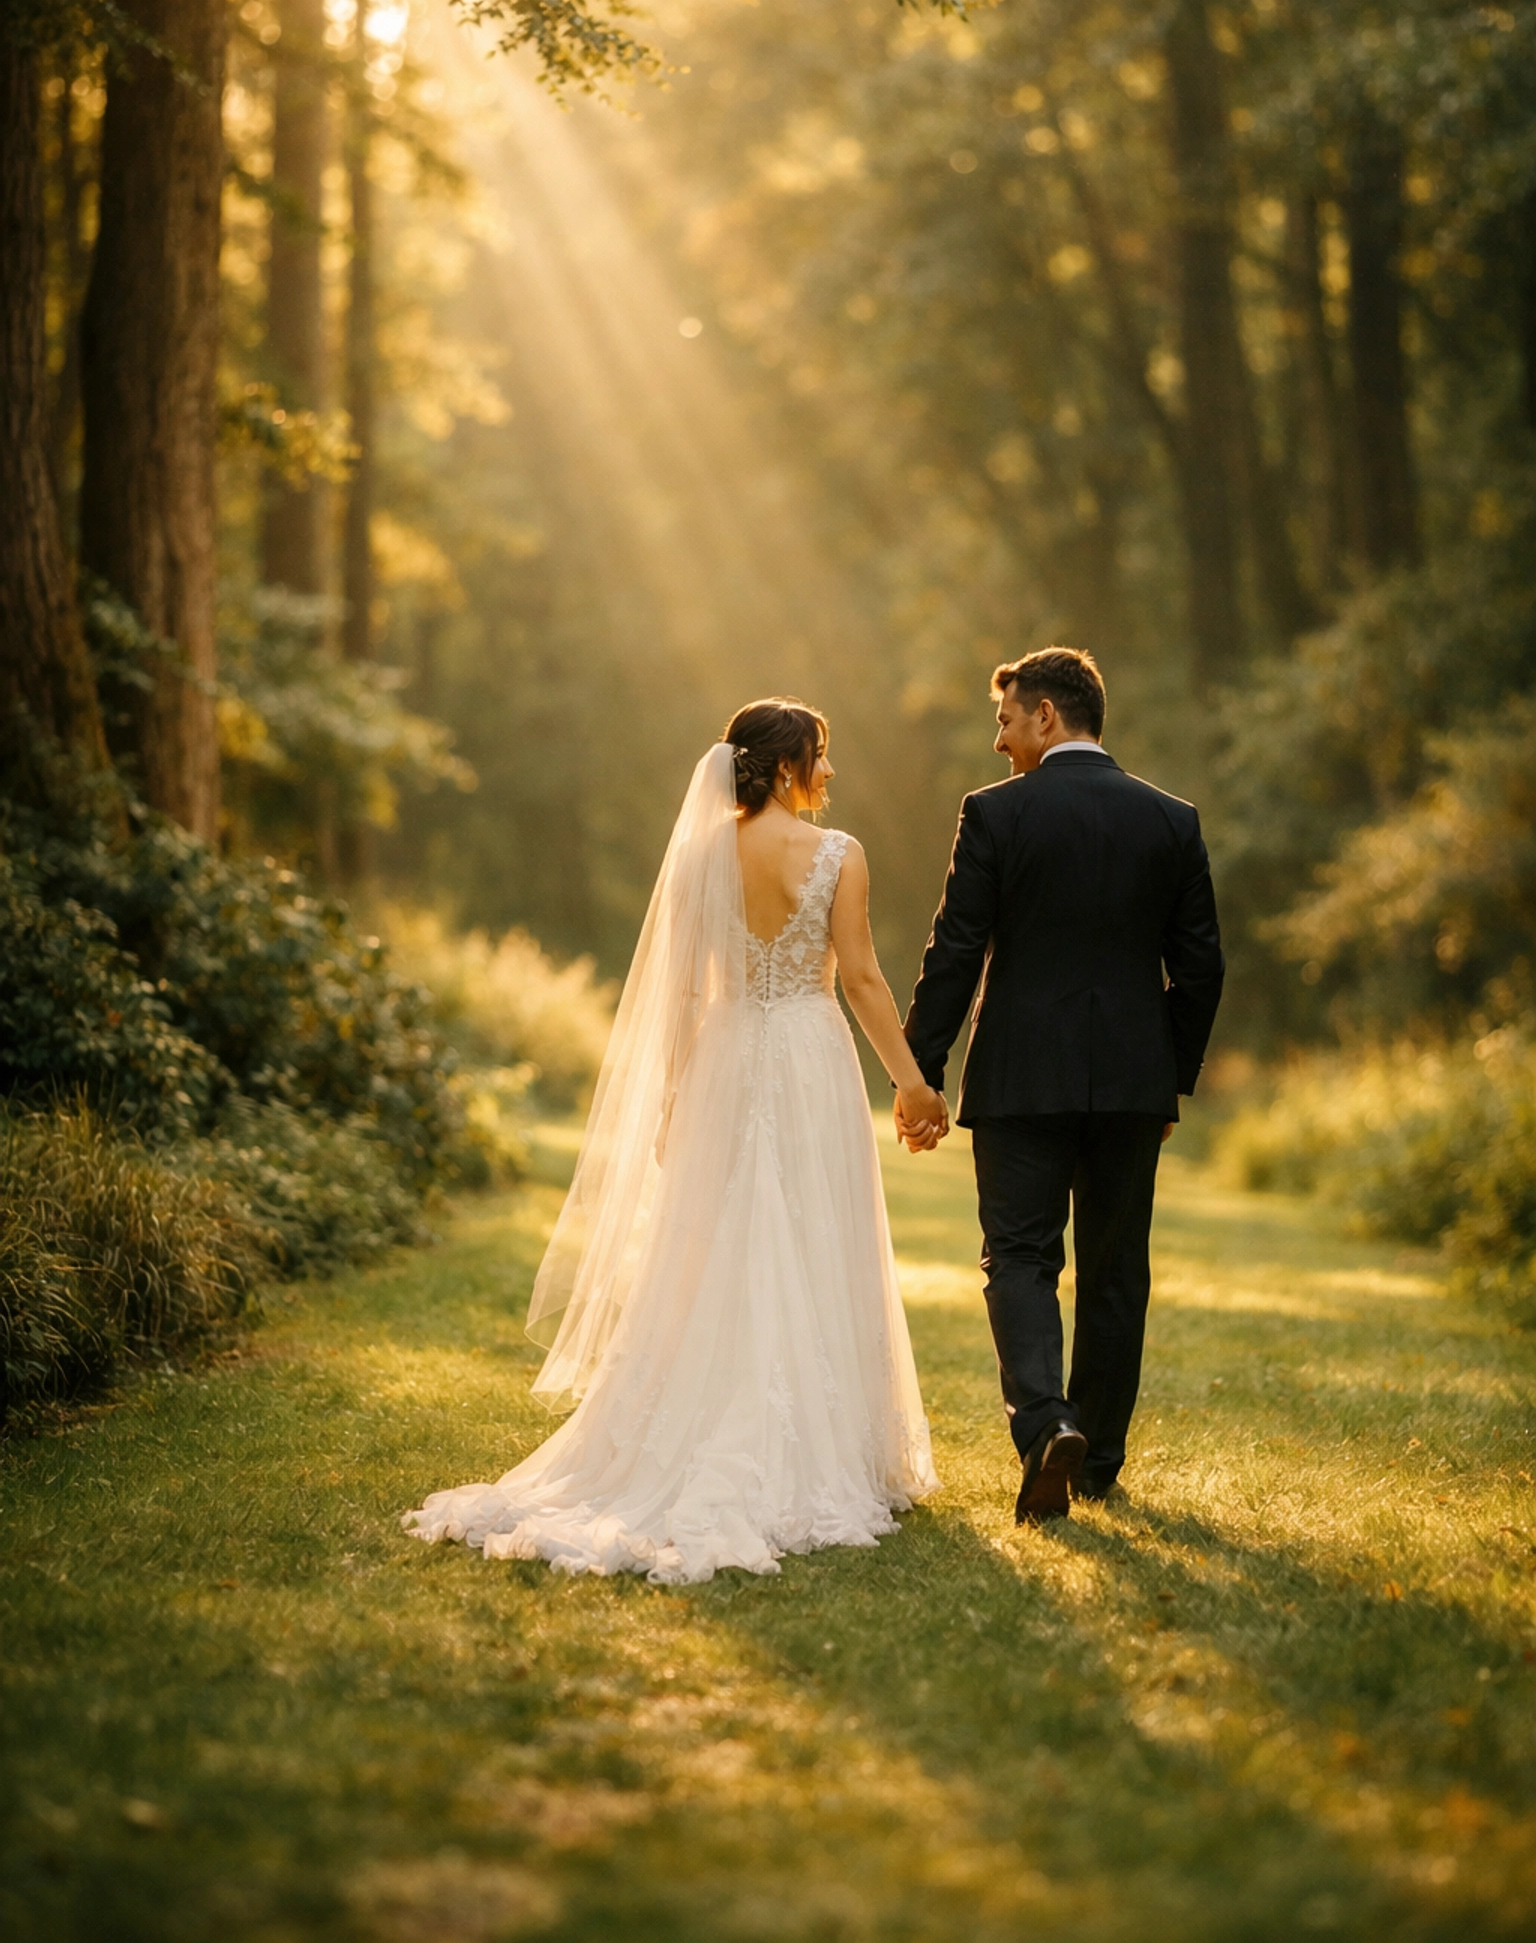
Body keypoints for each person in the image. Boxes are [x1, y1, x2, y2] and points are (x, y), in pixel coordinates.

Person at [404, 699, 943, 1584]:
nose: (831, 772)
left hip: (726, 1060)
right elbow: (862, 977)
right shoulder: (839, 856)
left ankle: (705, 1423)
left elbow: (686, 996)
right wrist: (913, 1083)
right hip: (808, 1057)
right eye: (821, 756)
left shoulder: (699, 855)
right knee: (811, 1232)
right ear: (782, 767)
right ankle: (820, 1444)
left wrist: (671, 1099)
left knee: (717, 1243)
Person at [902, 647, 1224, 1522]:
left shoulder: (995, 815)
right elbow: (1201, 969)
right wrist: (1170, 1077)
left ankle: (1046, 1422)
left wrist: (918, 1071)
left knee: (1019, 1256)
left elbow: (956, 951)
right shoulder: (1172, 821)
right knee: (1117, 1271)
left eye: (1007, 720)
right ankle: (1097, 1462)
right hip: (1131, 1085)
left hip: (1018, 1080)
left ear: (1047, 717)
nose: (999, 741)